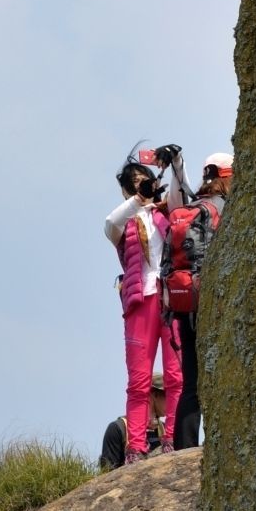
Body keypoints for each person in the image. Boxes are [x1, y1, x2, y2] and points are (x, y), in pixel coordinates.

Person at [104, 144, 184, 462]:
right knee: (139, 381)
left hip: (169, 300)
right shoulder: (123, 222)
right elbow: (109, 224)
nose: (142, 186)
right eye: (135, 183)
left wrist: (177, 163)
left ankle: (171, 439)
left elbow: (181, 198)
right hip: (140, 302)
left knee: (176, 376)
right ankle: (136, 446)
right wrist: (139, 200)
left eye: (145, 180)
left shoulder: (164, 212)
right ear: (126, 190)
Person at [168, 152, 233, 452]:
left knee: (191, 383)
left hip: (184, 304)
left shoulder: (189, 208)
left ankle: (184, 448)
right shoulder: (228, 209)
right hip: (212, 301)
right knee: (221, 375)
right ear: (226, 175)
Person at [99, 371, 166, 470]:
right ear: (154, 395)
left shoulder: (165, 430)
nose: (174, 400)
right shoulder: (119, 429)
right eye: (169, 395)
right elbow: (107, 473)